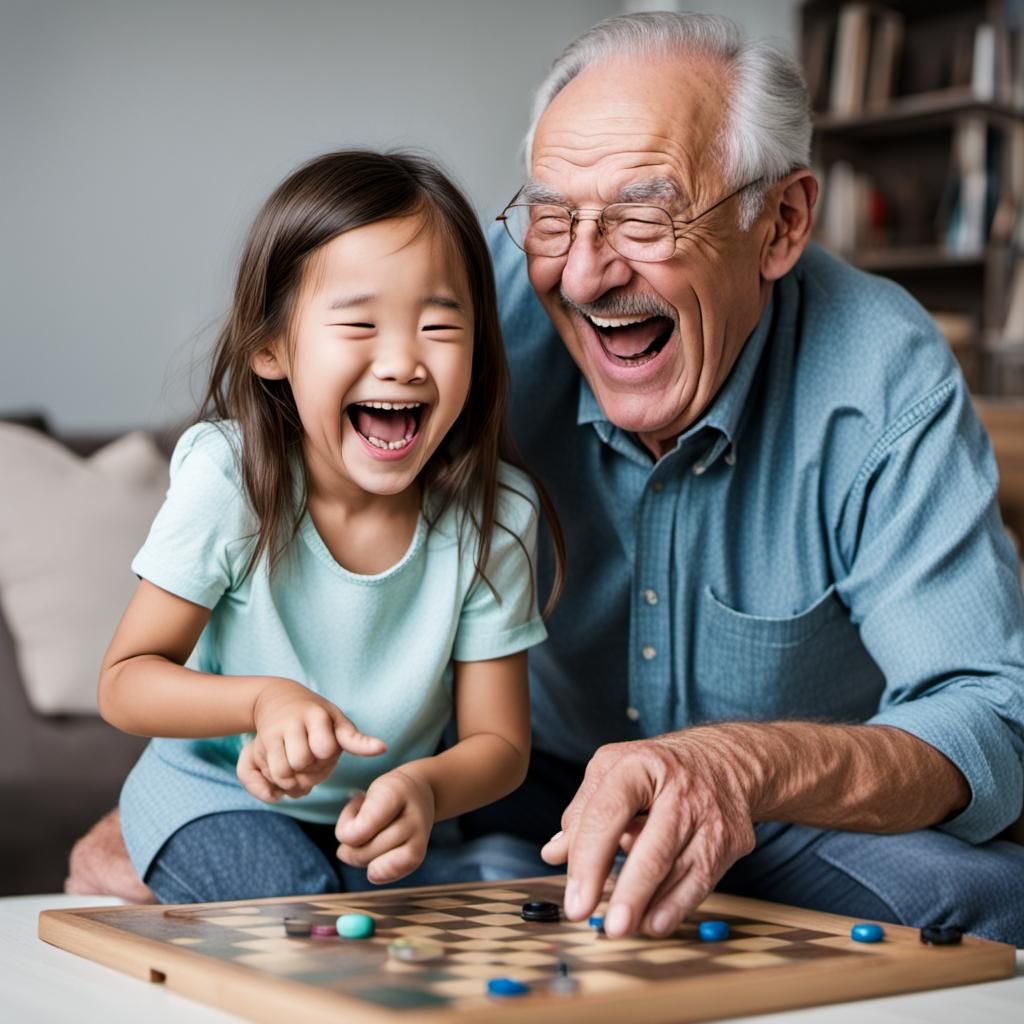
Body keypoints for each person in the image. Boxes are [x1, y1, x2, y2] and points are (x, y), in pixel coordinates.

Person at [70, 12, 1024, 947]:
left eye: (646, 214)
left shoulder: (881, 375)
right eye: (554, 216)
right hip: (535, 794)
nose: (583, 274)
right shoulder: (465, 314)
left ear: (779, 224)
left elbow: (990, 714)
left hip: (780, 802)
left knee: (992, 904)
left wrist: (741, 765)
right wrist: (190, 822)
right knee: (365, 925)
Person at [93, 149, 563, 903]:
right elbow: (124, 683)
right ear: (270, 348)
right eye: (359, 323)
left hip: (367, 825)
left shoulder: (496, 517)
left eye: (440, 325)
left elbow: (500, 745)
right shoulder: (230, 478)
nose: (404, 361)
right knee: (303, 911)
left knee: (515, 891)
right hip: (211, 798)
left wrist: (427, 790)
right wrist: (260, 701)